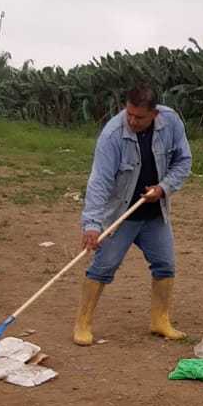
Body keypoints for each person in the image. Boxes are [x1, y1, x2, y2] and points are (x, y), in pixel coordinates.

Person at [73, 79, 192, 346]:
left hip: (154, 214)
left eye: (139, 117)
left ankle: (160, 321)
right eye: (128, 113)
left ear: (154, 113)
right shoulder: (112, 135)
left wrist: (163, 188)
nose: (132, 121)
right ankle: (83, 323)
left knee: (165, 265)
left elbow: (184, 161)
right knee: (103, 267)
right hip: (120, 215)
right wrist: (91, 224)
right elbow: (99, 182)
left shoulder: (171, 122)